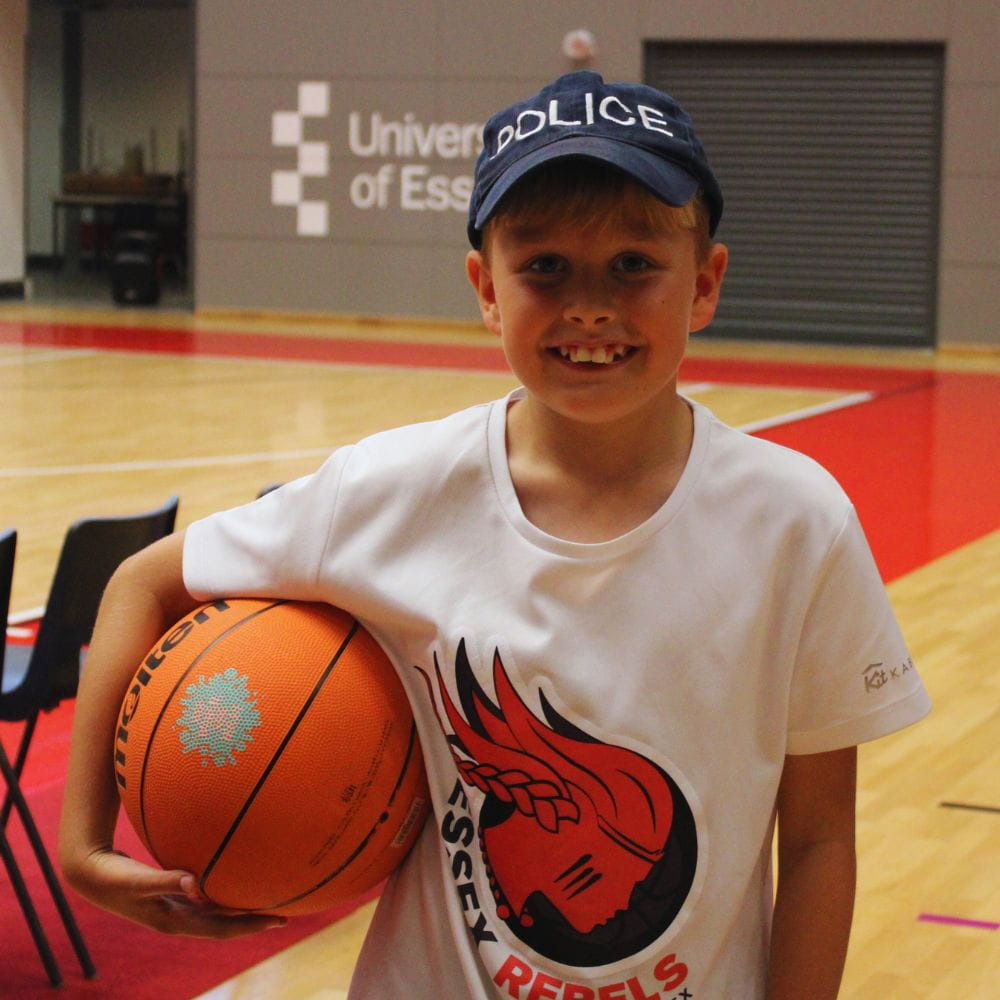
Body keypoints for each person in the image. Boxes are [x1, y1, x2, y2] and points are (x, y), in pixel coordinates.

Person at [60, 71, 931, 999]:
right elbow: (142, 583)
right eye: (542, 266)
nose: (588, 305)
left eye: (634, 264)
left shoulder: (796, 523)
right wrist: (80, 845)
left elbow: (818, 842)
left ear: (705, 283)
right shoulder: (393, 490)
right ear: (485, 287)